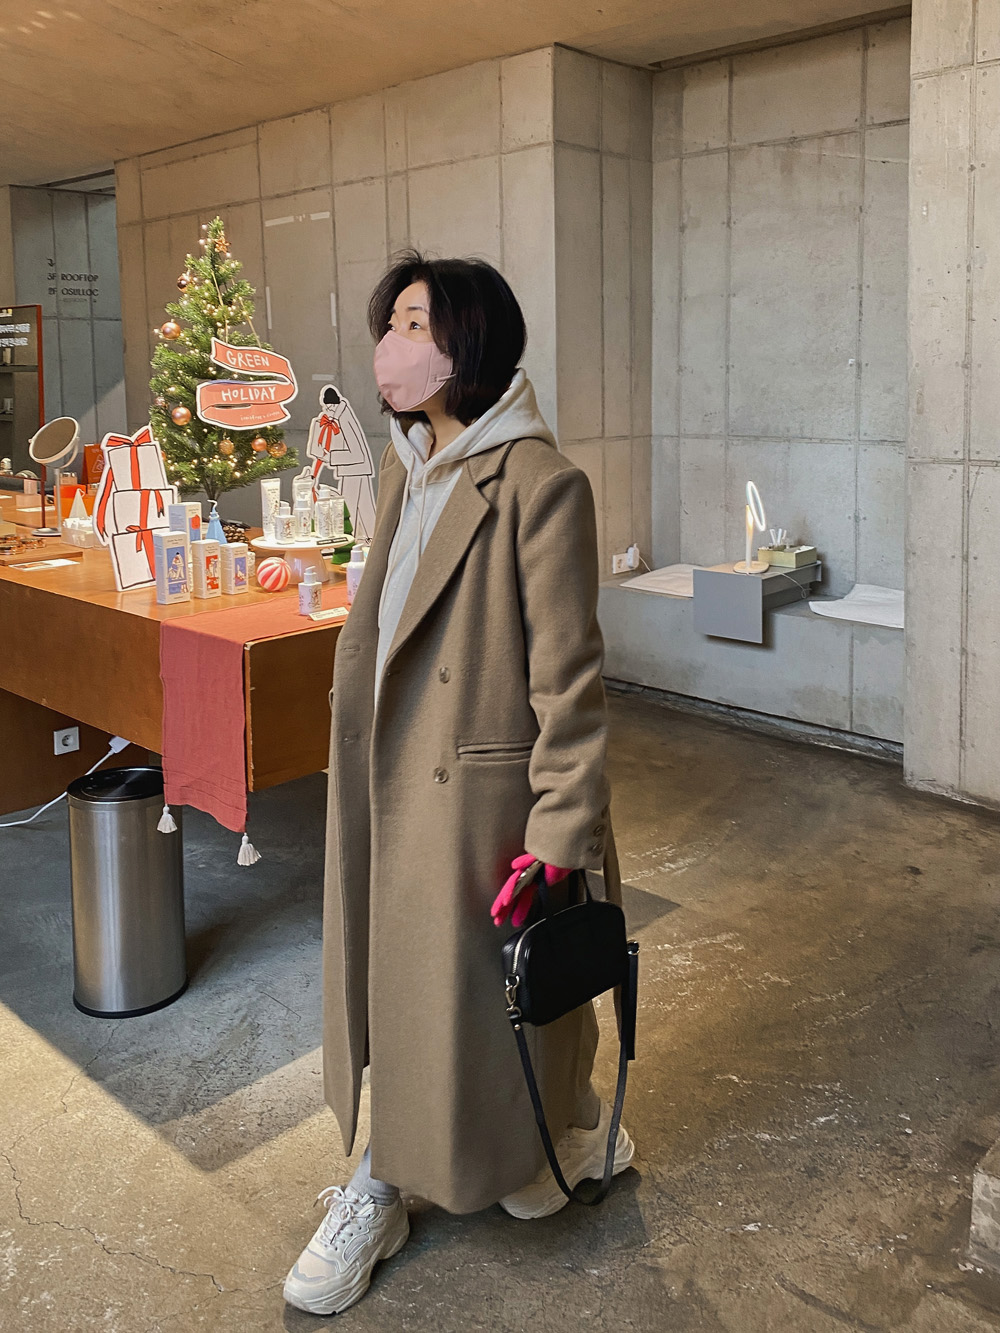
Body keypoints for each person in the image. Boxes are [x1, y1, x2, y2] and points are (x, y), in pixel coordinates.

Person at [284, 252, 634, 1317]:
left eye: (414, 323)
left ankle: (508, 1142)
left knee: (486, 1000)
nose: (390, 346)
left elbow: (570, 686)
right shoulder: (407, 466)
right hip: (386, 775)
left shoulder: (539, 483)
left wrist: (560, 831)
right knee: (400, 985)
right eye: (389, 322)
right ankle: (389, 1172)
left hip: (479, 798)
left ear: (467, 344)